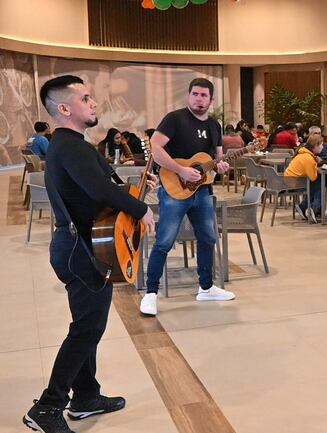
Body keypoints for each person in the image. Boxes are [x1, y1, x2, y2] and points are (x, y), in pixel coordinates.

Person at [24, 75, 155, 433]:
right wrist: (142, 210)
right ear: (64, 108)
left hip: (82, 246)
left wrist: (138, 193)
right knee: (87, 327)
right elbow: (101, 190)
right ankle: (48, 407)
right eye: (85, 98)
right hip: (79, 249)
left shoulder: (73, 146)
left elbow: (108, 188)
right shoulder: (70, 147)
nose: (94, 103)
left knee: (88, 325)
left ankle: (85, 396)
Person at [140, 78, 235, 317]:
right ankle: (150, 293)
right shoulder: (175, 119)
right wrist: (181, 170)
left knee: (208, 238)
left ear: (211, 100)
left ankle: (206, 287)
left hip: (202, 191)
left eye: (204, 95)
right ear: (188, 95)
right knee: (164, 241)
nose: (199, 99)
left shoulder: (215, 125)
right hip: (174, 190)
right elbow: (156, 148)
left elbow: (218, 158)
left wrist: (221, 167)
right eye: (195, 94)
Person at [285, 134, 327, 223]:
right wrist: (316, 167)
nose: (323, 147)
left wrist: (316, 164)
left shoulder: (305, 154)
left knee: (322, 181)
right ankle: (313, 209)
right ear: (315, 145)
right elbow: (313, 177)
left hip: (292, 180)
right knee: (318, 181)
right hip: (295, 183)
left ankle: (305, 207)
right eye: (321, 145)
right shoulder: (308, 158)